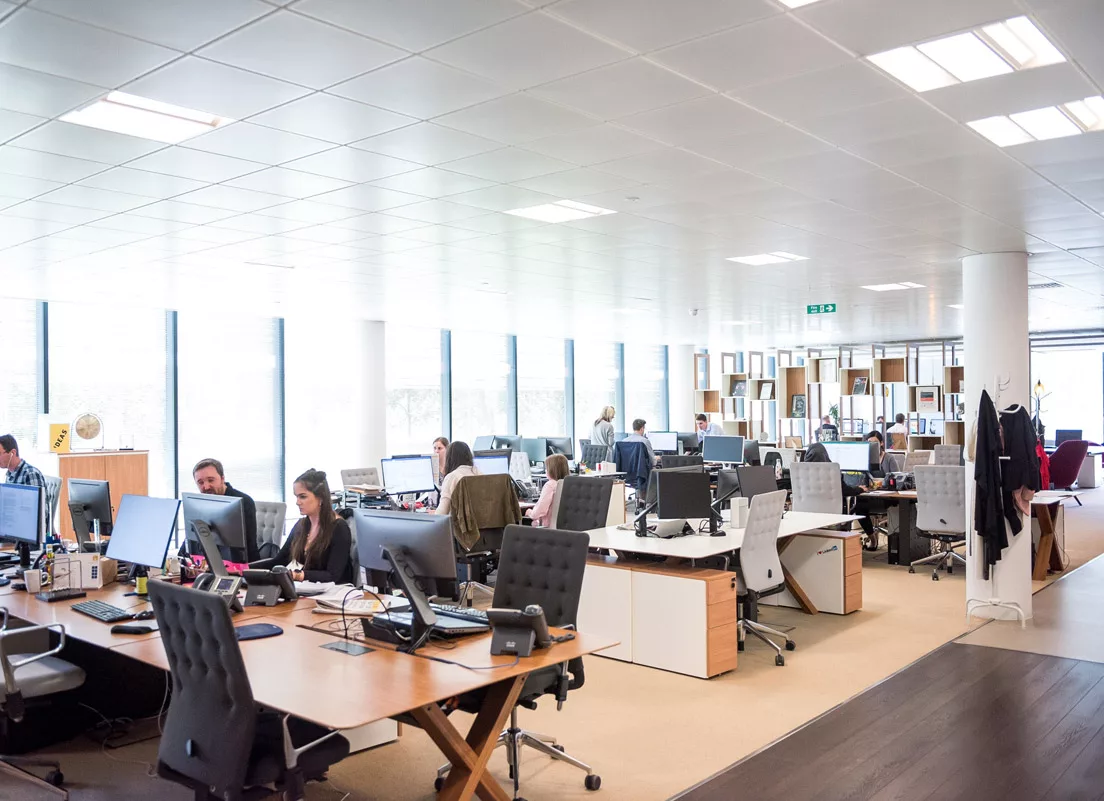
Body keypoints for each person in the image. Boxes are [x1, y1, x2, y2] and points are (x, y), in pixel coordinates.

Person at [261, 468, 352, 584]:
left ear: (321, 498)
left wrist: (297, 575)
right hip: (307, 590)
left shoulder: (339, 528)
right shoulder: (302, 525)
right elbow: (279, 561)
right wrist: (242, 569)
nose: (297, 502)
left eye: (303, 497)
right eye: (296, 497)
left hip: (333, 594)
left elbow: (333, 576)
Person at [191, 458, 259, 563]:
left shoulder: (243, 501)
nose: (206, 486)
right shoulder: (201, 504)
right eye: (200, 482)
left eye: (211, 480)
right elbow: (192, 537)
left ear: (222, 479)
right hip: (210, 563)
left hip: (241, 566)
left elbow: (247, 547)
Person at [803, 443, 874, 537]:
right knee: (859, 503)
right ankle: (871, 538)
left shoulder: (801, 471)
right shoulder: (831, 470)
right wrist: (859, 489)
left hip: (806, 513)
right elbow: (844, 490)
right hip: (831, 511)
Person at [0, 434, 49, 536]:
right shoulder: (10, 475)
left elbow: (38, 516)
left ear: (13, 452)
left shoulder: (30, 474)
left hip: (25, 535)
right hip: (12, 529)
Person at [435, 441, 479, 516]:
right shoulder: (479, 473)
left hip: (459, 526)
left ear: (449, 458)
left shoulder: (452, 477)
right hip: (481, 524)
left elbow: (441, 513)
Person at [526, 454, 568, 527]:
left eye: (547, 468)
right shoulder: (568, 484)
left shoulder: (550, 485)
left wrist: (529, 512)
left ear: (551, 470)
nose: (545, 471)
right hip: (564, 528)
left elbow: (538, 513)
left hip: (547, 528)